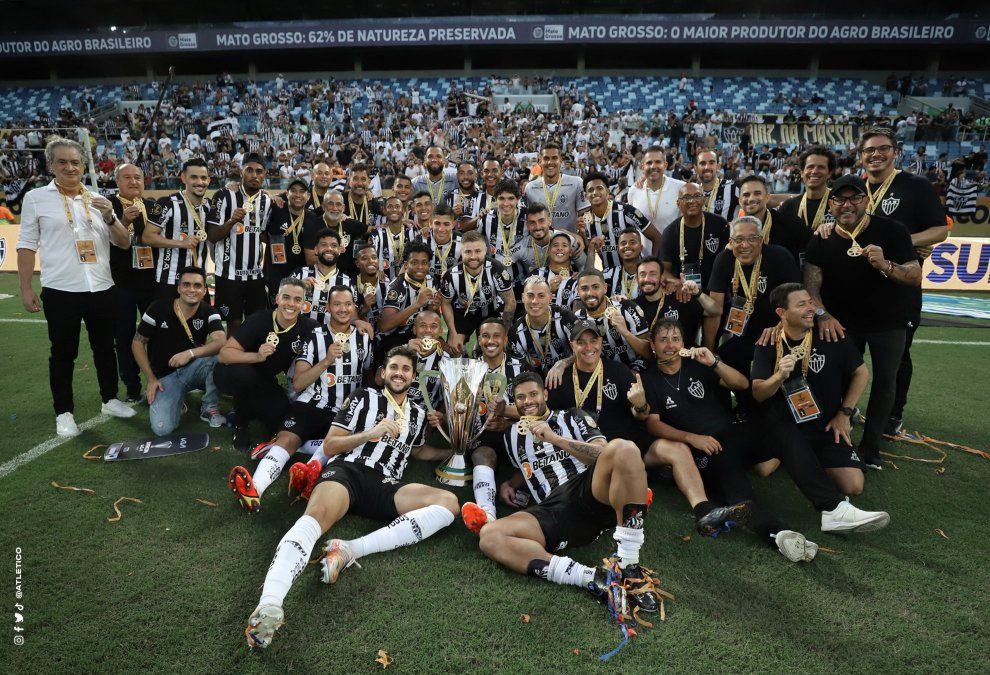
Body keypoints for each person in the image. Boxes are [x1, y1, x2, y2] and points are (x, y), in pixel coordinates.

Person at [244, 347, 458, 649]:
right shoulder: (363, 397)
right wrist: (369, 434)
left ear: (413, 376)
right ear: (383, 372)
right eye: (393, 367)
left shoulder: (420, 414)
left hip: (386, 483)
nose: (399, 373)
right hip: (349, 471)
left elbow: (419, 450)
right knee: (313, 520)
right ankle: (270, 604)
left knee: (448, 504)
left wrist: (454, 452)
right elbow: (331, 445)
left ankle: (349, 549)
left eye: (406, 369)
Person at [471, 371, 662, 615]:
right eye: (520, 397)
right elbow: (532, 465)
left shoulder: (572, 417)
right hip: (551, 510)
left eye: (533, 394)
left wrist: (554, 438)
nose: (527, 401)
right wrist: (512, 482)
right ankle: (591, 577)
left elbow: (602, 454)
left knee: (625, 449)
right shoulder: (511, 435)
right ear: (514, 402)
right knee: (489, 536)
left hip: (588, 491)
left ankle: (629, 564)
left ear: (545, 394)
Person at [17, 136, 136, 436]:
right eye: (63, 162)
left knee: (105, 349)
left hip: (100, 286)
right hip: (61, 289)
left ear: (83, 166)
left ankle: (109, 399)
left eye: (75, 162)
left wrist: (110, 216)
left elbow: (124, 243)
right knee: (63, 353)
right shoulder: (36, 198)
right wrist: (26, 288)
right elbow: (26, 246)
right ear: (51, 165)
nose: (70, 167)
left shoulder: (98, 199)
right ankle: (64, 413)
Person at [803, 174, 921, 469]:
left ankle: (870, 448)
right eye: (841, 199)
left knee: (885, 382)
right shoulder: (823, 237)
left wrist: (885, 264)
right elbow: (811, 287)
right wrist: (823, 315)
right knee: (833, 379)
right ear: (831, 204)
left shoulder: (892, 231)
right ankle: (835, 439)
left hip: (888, 322)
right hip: (842, 324)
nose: (848, 204)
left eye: (855, 198)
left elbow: (914, 274)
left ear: (866, 201)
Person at [229, 285, 373, 511]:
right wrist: (326, 361)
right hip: (313, 402)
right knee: (287, 439)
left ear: (354, 308)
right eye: (337, 304)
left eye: (348, 304)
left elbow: (368, 373)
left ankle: (306, 460)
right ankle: (254, 488)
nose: (343, 309)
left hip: (345, 410)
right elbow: (298, 382)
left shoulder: (364, 338)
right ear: (328, 308)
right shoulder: (314, 336)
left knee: (348, 446)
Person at [856, 128, 948, 436]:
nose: (876, 154)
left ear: (896, 152)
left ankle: (893, 416)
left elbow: (939, 231)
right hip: (856, 289)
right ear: (861, 156)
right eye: (869, 150)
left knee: (897, 357)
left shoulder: (915, 186)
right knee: (848, 353)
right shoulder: (855, 189)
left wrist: (901, 242)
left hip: (899, 290)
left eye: (883, 148)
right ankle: (848, 406)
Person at [752, 283, 871, 496]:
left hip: (826, 426)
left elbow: (862, 373)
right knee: (762, 468)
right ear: (782, 313)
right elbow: (759, 393)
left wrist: (845, 413)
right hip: (787, 427)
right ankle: (797, 456)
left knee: (853, 486)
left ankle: (805, 458)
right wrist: (779, 376)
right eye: (801, 305)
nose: (810, 308)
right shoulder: (768, 341)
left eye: (810, 302)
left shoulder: (831, 334)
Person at [704, 216, 800, 408]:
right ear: (731, 243)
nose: (744, 245)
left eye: (752, 238)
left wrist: (780, 326)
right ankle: (741, 407)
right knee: (722, 360)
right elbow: (715, 308)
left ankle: (775, 407)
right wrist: (710, 348)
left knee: (772, 366)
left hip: (777, 329)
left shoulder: (779, 256)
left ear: (762, 239)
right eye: (738, 240)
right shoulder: (724, 259)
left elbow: (796, 299)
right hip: (742, 331)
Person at [215, 277, 317, 452]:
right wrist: (257, 356)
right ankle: (241, 423)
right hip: (232, 372)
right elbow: (224, 355)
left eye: (297, 299)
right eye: (286, 297)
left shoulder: (308, 327)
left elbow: (333, 332)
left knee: (282, 419)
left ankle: (254, 408)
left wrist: (357, 322)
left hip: (265, 381)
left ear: (304, 304)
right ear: (277, 299)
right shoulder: (259, 319)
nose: (291, 304)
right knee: (243, 376)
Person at [132, 266, 226, 435]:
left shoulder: (209, 311)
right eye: (186, 284)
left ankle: (209, 407)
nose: (192, 289)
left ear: (204, 290)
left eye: (197, 286)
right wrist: (151, 379)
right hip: (164, 376)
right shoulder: (158, 308)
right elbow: (137, 343)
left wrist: (190, 353)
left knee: (221, 358)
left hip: (194, 369)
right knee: (162, 429)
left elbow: (220, 341)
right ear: (178, 288)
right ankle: (177, 399)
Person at [461, 317, 527, 531]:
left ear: (505, 340)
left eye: (496, 336)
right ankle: (487, 513)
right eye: (485, 336)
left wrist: (507, 421)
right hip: (483, 433)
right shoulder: (468, 368)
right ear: (478, 339)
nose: (491, 341)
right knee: (483, 455)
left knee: (531, 445)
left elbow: (535, 409)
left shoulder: (520, 367)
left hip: (517, 431)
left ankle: (527, 490)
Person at [206, 153, 275, 334]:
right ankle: (231, 361)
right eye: (249, 170)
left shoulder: (267, 201)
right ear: (241, 172)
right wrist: (231, 221)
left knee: (256, 325)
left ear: (265, 174)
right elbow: (212, 236)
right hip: (228, 276)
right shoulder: (223, 195)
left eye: (259, 171)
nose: (254, 175)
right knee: (234, 325)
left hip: (255, 276)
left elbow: (263, 234)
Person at [109, 163, 159, 402]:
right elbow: (103, 239)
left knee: (157, 334)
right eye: (127, 177)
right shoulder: (108, 205)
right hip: (121, 284)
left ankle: (161, 379)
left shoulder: (151, 206)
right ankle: (131, 386)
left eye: (137, 177)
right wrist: (121, 220)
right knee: (125, 336)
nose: (133, 182)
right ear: (117, 181)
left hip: (151, 281)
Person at [143, 158, 212, 301]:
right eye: (194, 177)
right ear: (183, 178)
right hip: (169, 280)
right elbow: (148, 237)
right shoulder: (167, 203)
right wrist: (181, 243)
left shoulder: (210, 207)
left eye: (203, 178)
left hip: (199, 281)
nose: (200, 182)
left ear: (209, 180)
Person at [440, 230, 516, 355]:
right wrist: (453, 333)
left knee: (496, 348)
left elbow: (510, 302)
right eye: (468, 252)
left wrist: (504, 333)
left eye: (478, 251)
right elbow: (446, 303)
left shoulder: (496, 269)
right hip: (464, 314)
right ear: (461, 252)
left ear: (485, 250)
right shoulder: (451, 275)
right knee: (454, 350)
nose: (473, 256)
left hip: (491, 312)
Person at [573, 269, 651, 372]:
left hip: (634, 372)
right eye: (584, 288)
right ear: (578, 292)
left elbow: (648, 353)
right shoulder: (577, 319)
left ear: (605, 288)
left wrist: (626, 333)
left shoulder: (626, 308)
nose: (590, 293)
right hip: (601, 377)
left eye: (595, 287)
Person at [659, 182, 729, 293]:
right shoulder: (670, 232)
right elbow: (663, 270)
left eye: (697, 196)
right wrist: (677, 282)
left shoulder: (720, 224)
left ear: (704, 199)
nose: (692, 201)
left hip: (716, 291)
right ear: (678, 203)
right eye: (686, 197)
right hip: (684, 293)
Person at [581, 171, 659, 269]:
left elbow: (657, 237)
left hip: (635, 273)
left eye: (599, 188)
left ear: (607, 191)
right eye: (591, 190)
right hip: (608, 276)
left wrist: (654, 266)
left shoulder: (627, 211)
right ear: (586, 196)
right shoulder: (585, 219)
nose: (595, 192)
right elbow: (588, 251)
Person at [634, 257, 716, 349]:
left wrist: (697, 293)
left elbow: (715, 311)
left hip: (685, 358)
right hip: (651, 359)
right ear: (637, 279)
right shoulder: (633, 307)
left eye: (653, 274)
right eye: (642, 274)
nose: (647, 279)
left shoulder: (680, 297)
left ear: (661, 278)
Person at [263, 178, 323, 303]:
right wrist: (270, 195)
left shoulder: (312, 218)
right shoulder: (275, 209)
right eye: (294, 191)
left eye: (302, 191)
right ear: (286, 194)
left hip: (300, 280)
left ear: (308, 196)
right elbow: (258, 197)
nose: (298, 195)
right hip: (274, 279)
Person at [377, 241, 439, 359]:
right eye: (414, 263)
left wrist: (433, 308)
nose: (420, 267)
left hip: (421, 334)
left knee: (446, 349)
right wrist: (416, 305)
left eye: (424, 263)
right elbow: (384, 326)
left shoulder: (432, 281)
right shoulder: (397, 287)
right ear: (406, 265)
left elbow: (434, 315)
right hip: (395, 338)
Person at [510, 276, 577, 376]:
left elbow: (584, 350)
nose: (535, 301)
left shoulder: (566, 318)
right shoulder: (515, 333)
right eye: (530, 295)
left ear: (550, 297)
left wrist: (564, 363)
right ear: (523, 297)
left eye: (541, 296)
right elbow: (519, 370)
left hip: (572, 377)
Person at [736, 174, 810, 264]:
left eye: (757, 193)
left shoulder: (789, 223)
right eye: (746, 195)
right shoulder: (734, 232)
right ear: (740, 201)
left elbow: (813, 245)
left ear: (767, 197)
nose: (751, 198)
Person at [291, 229, 354, 325]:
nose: (329, 249)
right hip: (300, 335)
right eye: (324, 245)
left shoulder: (348, 282)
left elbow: (352, 316)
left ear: (340, 250)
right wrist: (297, 288)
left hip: (331, 338)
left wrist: (358, 321)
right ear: (316, 249)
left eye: (334, 245)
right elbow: (282, 303)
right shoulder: (299, 274)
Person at [523, 143, 589, 232]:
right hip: (541, 243)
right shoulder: (530, 188)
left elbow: (585, 214)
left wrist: (581, 236)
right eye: (546, 158)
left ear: (561, 161)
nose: (550, 162)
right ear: (540, 162)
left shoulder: (576, 182)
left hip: (569, 242)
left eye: (554, 158)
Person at [625, 146, 685, 237]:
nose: (653, 166)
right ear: (642, 166)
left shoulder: (680, 187)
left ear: (665, 165)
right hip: (643, 251)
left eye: (658, 162)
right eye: (649, 163)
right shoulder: (634, 191)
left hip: (671, 250)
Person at [777, 146, 835, 235]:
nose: (814, 171)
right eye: (810, 167)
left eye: (821, 167)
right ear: (802, 173)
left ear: (829, 173)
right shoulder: (788, 206)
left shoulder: (839, 204)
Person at [474, 178, 527, 266]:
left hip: (522, 275)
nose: (506, 203)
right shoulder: (486, 218)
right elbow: (477, 244)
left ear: (518, 199)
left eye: (510, 198)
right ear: (495, 199)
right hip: (495, 274)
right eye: (501, 198)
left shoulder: (527, 217)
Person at [316, 189, 367, 277]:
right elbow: (309, 260)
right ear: (323, 207)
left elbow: (370, 230)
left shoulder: (350, 223)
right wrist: (333, 252)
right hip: (319, 275)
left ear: (343, 208)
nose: (335, 208)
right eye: (330, 204)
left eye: (338, 205)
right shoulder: (314, 224)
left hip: (346, 277)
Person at [368, 195, 417, 282]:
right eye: (390, 207)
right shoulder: (376, 235)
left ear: (402, 210)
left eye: (397, 207)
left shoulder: (413, 233)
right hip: (383, 281)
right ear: (385, 210)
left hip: (408, 281)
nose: (394, 209)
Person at [696, 149, 739, 222]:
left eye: (711, 163)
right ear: (696, 168)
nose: (707, 167)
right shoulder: (693, 191)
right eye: (702, 163)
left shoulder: (732, 187)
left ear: (718, 166)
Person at [425, 204, 462, 279]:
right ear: (430, 223)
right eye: (437, 223)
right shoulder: (421, 240)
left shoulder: (463, 242)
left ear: (453, 224)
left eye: (446, 224)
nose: (441, 229)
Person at [341, 163, 382, 228]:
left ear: (369, 182)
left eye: (363, 179)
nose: (359, 183)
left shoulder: (373, 203)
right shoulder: (340, 201)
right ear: (349, 182)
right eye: (355, 179)